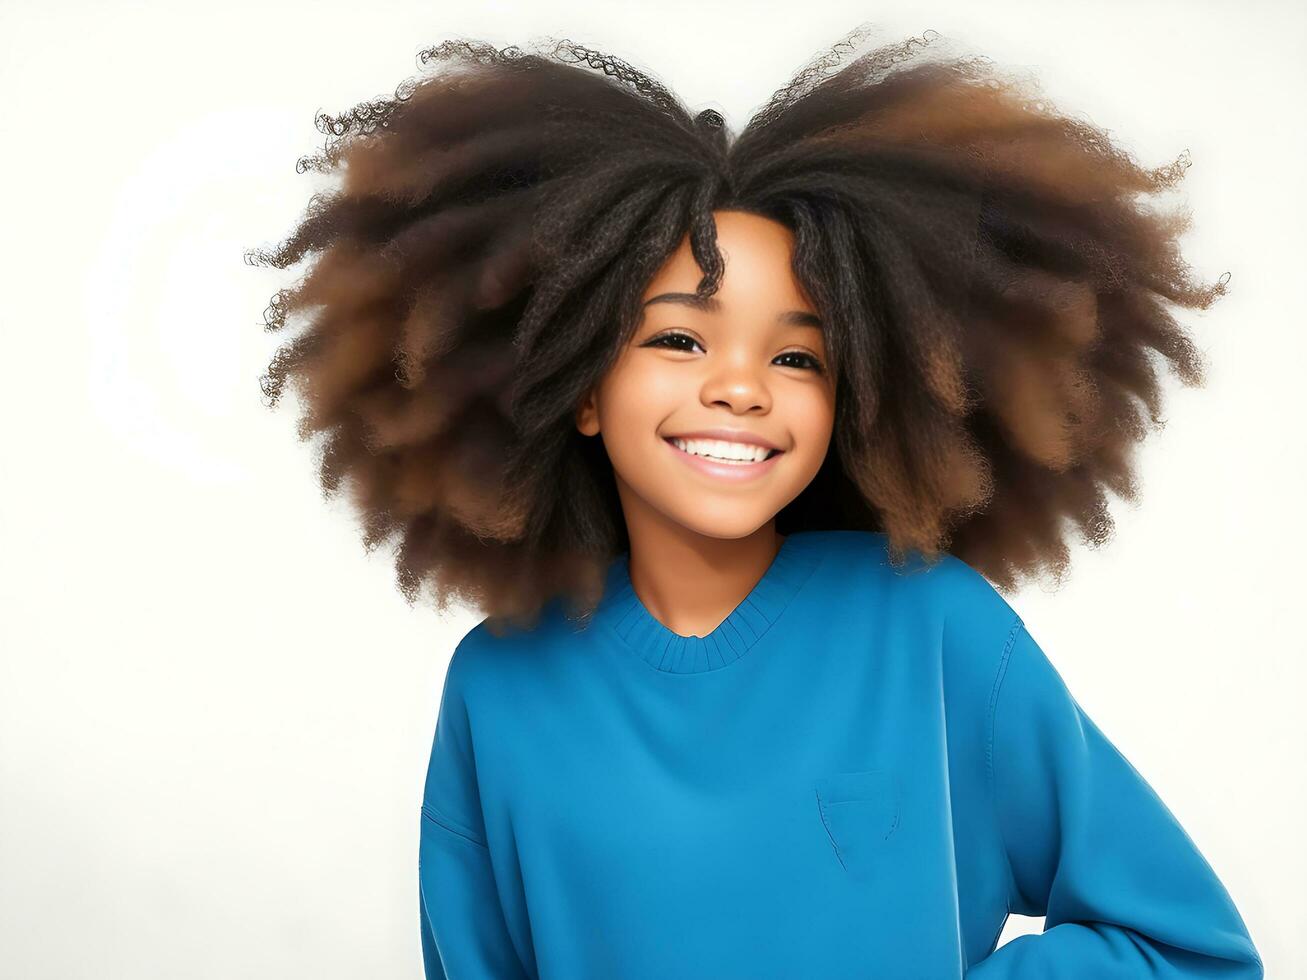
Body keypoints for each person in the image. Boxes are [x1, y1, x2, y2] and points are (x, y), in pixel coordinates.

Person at [248, 26, 1263, 978]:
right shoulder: (498, 687)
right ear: (581, 388)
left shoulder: (932, 626)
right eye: (680, 339)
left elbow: (1181, 945)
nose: (741, 386)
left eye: (793, 354)